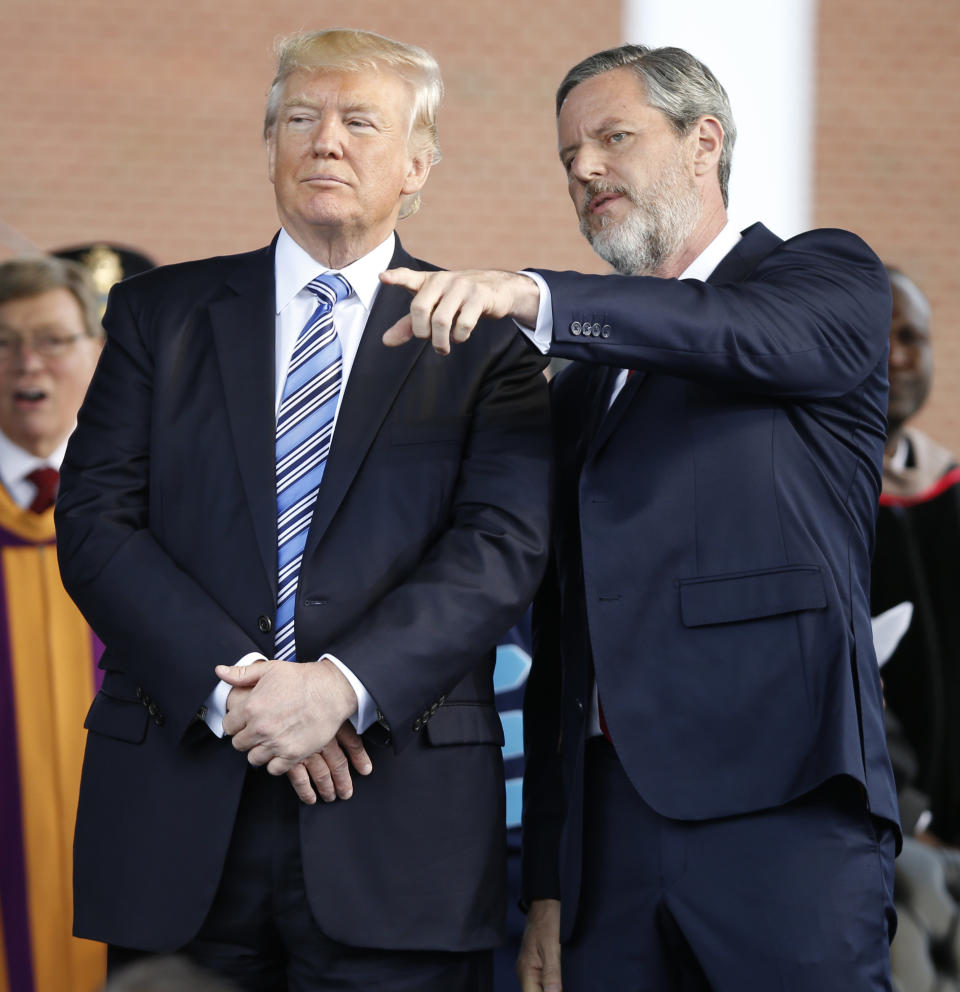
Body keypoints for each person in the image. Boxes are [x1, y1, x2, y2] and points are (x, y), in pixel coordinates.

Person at [380, 42, 900, 991]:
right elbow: (560, 642)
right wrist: (547, 880)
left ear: (705, 142)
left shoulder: (820, 281)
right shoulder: (577, 384)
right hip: (604, 842)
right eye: (569, 154)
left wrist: (537, 295)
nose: (583, 169)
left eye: (613, 138)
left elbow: (727, 334)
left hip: (781, 804)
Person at [55, 29, 551, 992]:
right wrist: (244, 697)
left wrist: (338, 689)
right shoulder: (161, 317)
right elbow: (97, 523)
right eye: (299, 118)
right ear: (269, 145)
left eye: (359, 121)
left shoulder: (488, 345)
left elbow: (500, 549)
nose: (325, 141)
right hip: (180, 801)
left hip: (398, 822)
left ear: (418, 163)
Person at [0, 255, 106, 992]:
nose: (26, 363)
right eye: (2, 342)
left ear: (98, 352)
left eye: (53, 340)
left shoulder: (161, 513)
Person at [872, 266, 960, 845]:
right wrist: (906, 810)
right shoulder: (808, 500)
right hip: (884, 832)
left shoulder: (949, 489)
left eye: (913, 338)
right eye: (883, 334)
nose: (900, 357)